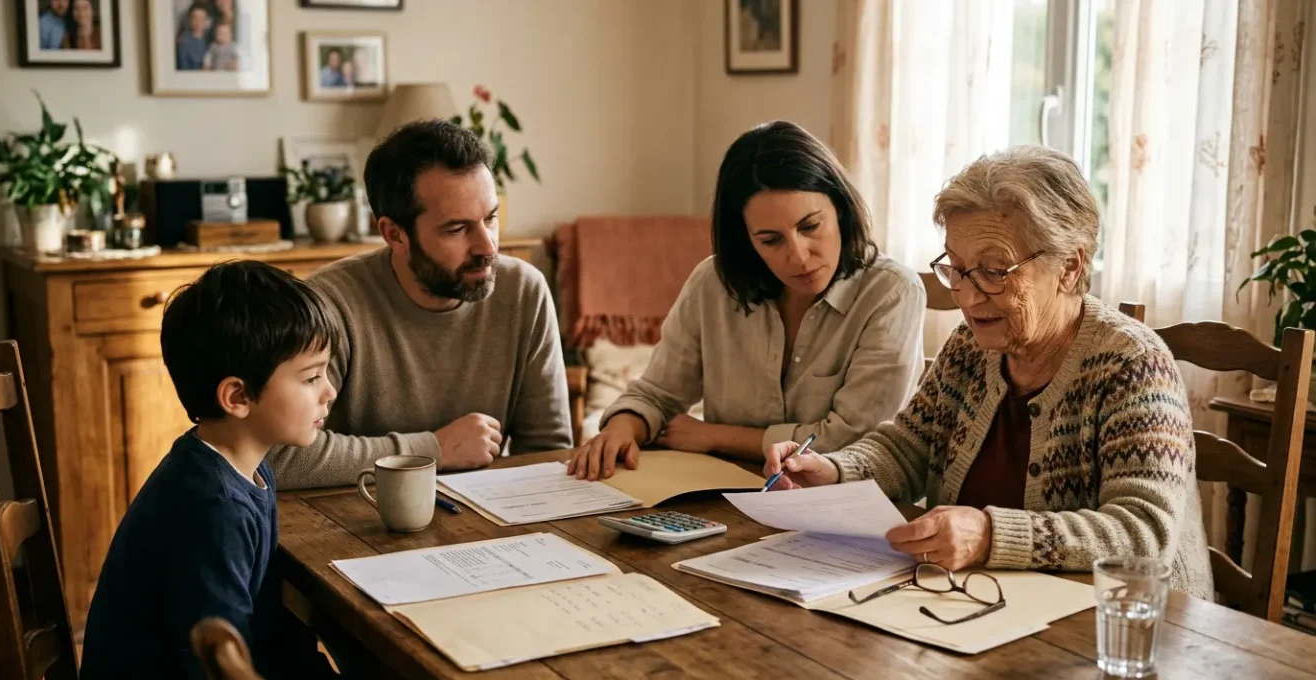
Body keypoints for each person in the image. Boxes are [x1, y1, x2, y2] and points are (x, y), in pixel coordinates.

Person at [762, 146, 1213, 600]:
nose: (969, 297)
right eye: (957, 270)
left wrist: (990, 534)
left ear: (1069, 267)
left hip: (1129, 628)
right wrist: (834, 471)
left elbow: (1143, 533)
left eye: (995, 271)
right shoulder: (970, 347)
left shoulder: (1133, 365)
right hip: (981, 604)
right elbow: (907, 448)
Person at [568, 120, 925, 481]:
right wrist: (621, 428)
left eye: (810, 227)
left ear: (841, 211)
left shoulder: (892, 292)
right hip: (723, 497)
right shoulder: (713, 283)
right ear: (747, 241)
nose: (799, 256)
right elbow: (658, 394)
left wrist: (715, 437)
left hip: (838, 508)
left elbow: (855, 444)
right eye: (771, 240)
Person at [266, 119, 572, 489]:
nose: (488, 247)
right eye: (457, 230)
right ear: (394, 234)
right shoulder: (328, 304)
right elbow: (278, 458)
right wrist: (434, 449)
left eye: (490, 218)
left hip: (482, 523)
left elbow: (547, 454)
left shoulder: (524, 291)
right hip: (352, 522)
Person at [79, 261, 342, 679]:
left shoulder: (248, 471)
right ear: (237, 396)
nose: (329, 391)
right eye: (311, 378)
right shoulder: (213, 508)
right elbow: (216, 665)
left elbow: (266, 625)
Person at [176, 4, 209, 71]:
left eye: (202, 19)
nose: (198, 23)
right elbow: (183, 67)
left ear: (206, 22)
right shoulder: (184, 40)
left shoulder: (210, 38)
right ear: (190, 20)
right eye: (195, 18)